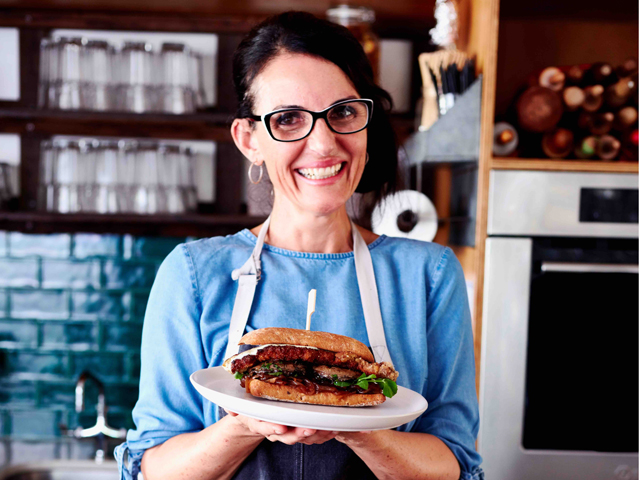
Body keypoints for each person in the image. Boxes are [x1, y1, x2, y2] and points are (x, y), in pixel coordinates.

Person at [115, 11, 484, 480]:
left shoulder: (428, 275)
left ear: (366, 125)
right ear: (249, 139)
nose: (324, 144)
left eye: (343, 112)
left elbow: (454, 464)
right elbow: (155, 467)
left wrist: (354, 422)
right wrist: (246, 423)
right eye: (288, 119)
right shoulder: (192, 273)